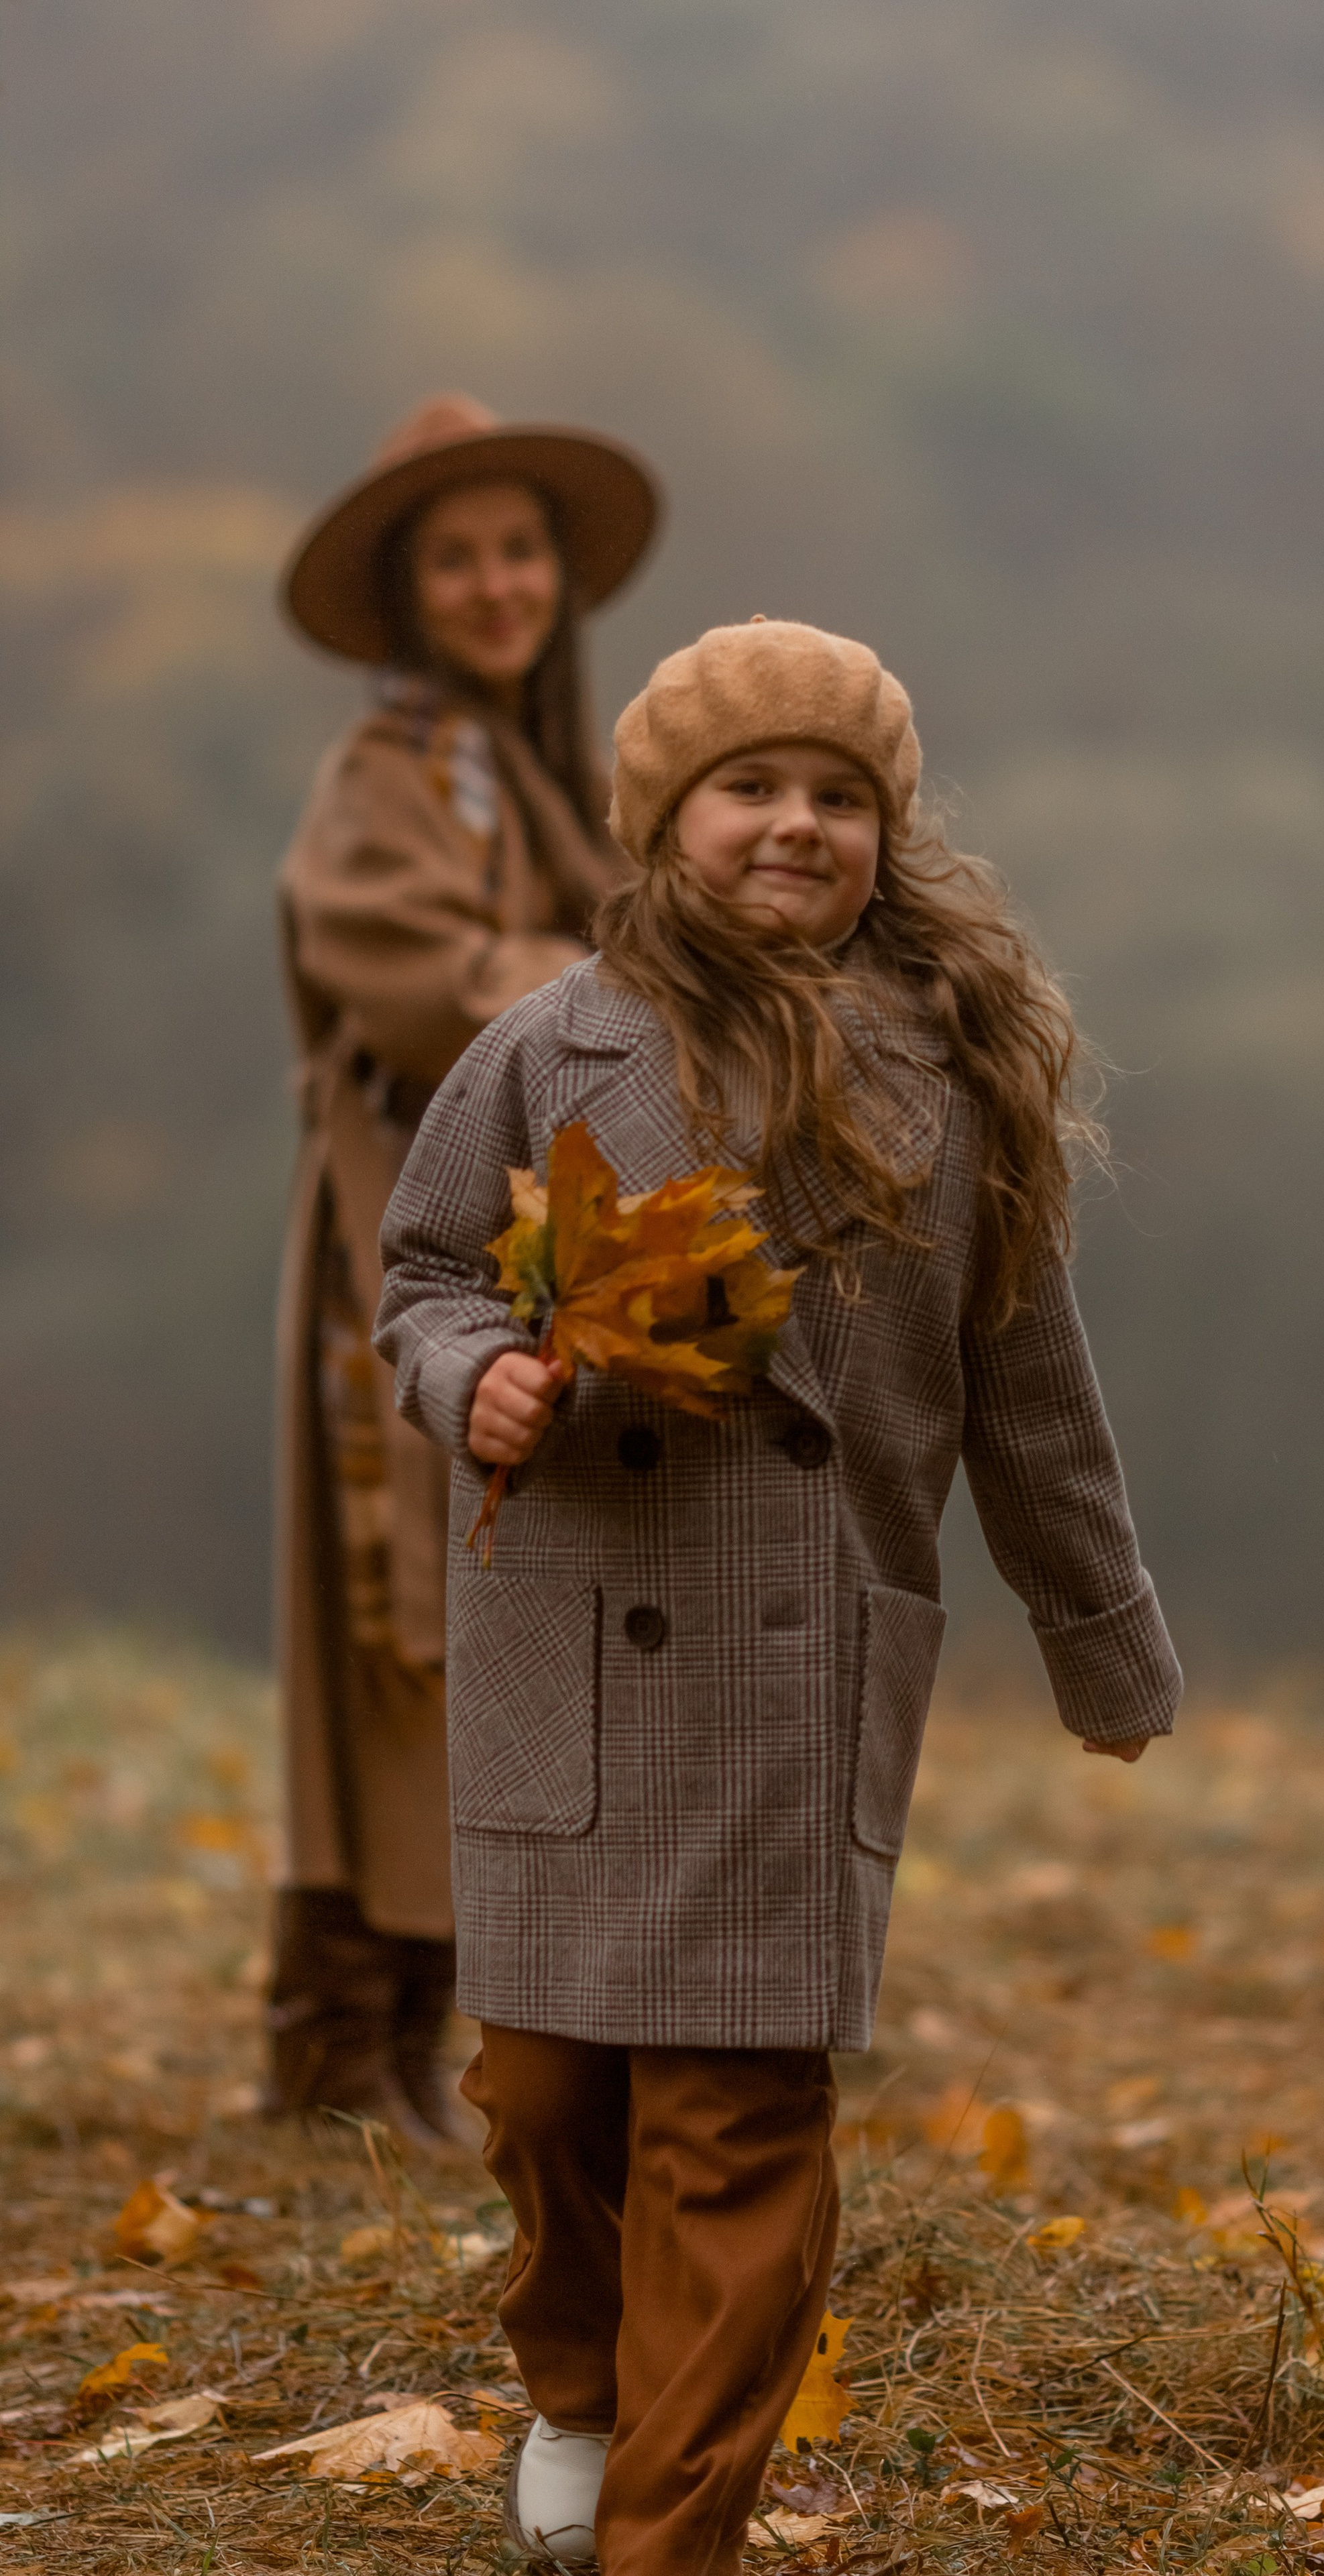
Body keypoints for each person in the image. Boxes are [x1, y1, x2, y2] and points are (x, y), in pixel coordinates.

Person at [373, 617, 1182, 2569]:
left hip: (788, 1664)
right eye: (753, 788)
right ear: (666, 820)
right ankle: (580, 2387)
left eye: (840, 796)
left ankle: (674, 2537)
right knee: (549, 2089)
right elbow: (422, 1272)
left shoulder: (956, 1080)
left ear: (887, 837)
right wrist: (464, 1373)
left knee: (735, 2114)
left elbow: (1030, 1382)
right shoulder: (543, 1046)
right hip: (574, 1629)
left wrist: (1099, 1626)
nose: (796, 825)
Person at [270, 393, 661, 2140]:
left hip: (514, 1245)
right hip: (398, 1237)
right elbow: (415, 974)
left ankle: (421, 2028)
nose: (499, 584)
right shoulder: (391, 776)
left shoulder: (548, 772)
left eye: (520, 550)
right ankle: (335, 2041)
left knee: (471, 1616)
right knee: (389, 1624)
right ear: (413, 593)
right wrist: (632, 991)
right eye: (459, 556)